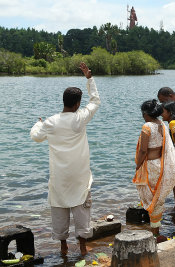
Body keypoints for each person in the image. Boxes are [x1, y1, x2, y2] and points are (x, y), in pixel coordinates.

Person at [30, 62, 100, 256]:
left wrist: (38, 123)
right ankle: (84, 247)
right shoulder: (80, 119)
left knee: (59, 209)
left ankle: (63, 248)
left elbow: (35, 136)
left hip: (59, 177)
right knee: (82, 210)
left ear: (64, 101)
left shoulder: (51, 122)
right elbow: (95, 101)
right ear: (77, 104)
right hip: (79, 177)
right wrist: (89, 78)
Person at [133, 100, 175, 242]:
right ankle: (156, 231)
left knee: (151, 197)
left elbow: (142, 150)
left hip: (151, 166)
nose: (143, 117)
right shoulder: (162, 125)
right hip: (161, 164)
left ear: (147, 114)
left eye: (143, 114)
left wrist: (137, 165)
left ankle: (154, 233)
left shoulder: (147, 127)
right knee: (157, 198)